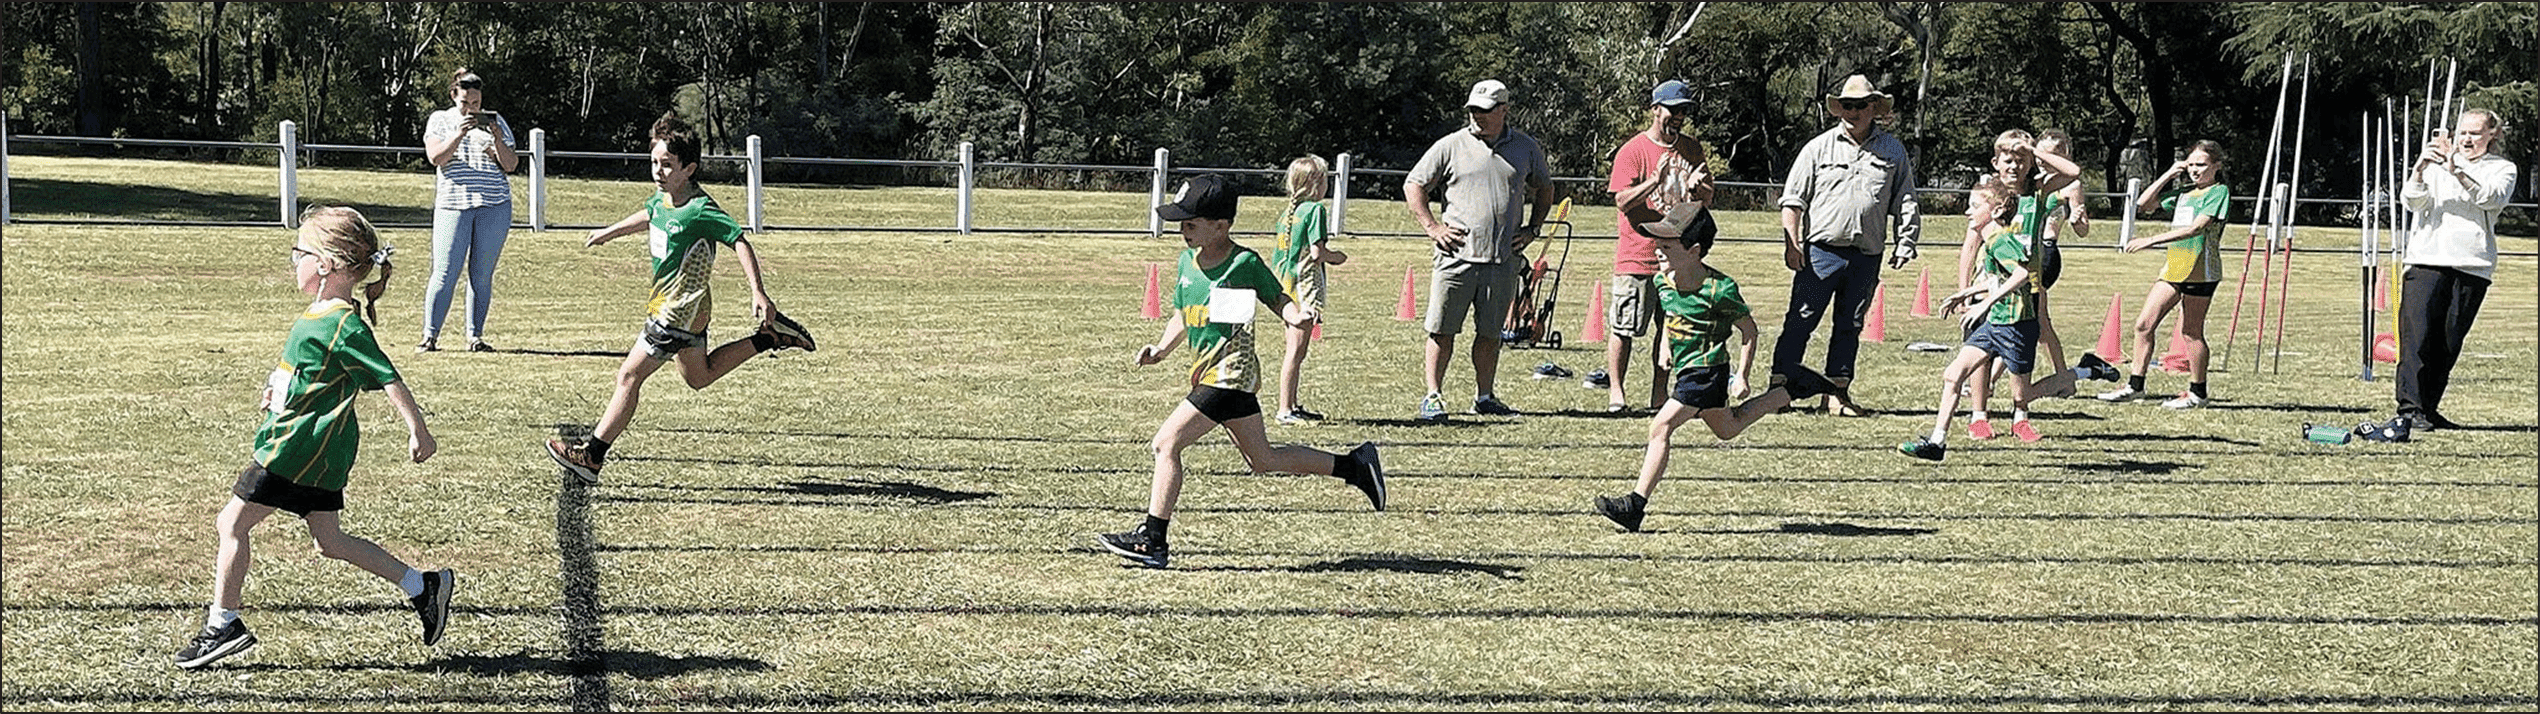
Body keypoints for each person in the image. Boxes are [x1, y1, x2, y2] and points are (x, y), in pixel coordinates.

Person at [174, 206, 454, 670]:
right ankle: (423, 587)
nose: (294, 262)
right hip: (313, 450)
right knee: (329, 540)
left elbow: (387, 376)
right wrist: (278, 393)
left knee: (232, 524)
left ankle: (223, 626)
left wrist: (418, 429)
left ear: (324, 264)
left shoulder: (344, 323)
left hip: (296, 449)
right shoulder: (321, 315)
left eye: (298, 253)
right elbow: (312, 374)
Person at [1097, 174, 1387, 569]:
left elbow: (1277, 297)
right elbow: (1184, 312)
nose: (1182, 230)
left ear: (1220, 226)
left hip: (1230, 375)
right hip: (1208, 374)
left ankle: (1153, 539)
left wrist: (1296, 316)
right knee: (1262, 459)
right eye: (1180, 223)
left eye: (1190, 223)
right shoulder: (1187, 261)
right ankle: (1355, 466)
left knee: (1166, 444)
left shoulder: (1243, 262)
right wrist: (1162, 349)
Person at [543, 113, 817, 483]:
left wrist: (758, 291)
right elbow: (649, 215)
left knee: (628, 376)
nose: (658, 171)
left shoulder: (700, 209)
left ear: (688, 168)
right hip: (688, 312)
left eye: (667, 165)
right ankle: (769, 338)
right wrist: (609, 232)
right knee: (699, 377)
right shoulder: (663, 198)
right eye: (654, 162)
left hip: (677, 310)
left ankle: (591, 456)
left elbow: (739, 240)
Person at [1592, 208, 1841, 531]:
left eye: (1667, 247)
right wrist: (1666, 344)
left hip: (1707, 372)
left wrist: (1742, 376)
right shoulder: (1662, 281)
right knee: (1729, 428)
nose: (1657, 251)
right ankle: (1791, 390)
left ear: (1694, 252)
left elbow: (1749, 331)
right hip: (1687, 371)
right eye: (1657, 244)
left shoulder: (1719, 289)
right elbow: (1669, 313)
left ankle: (1635, 505)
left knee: (1660, 428)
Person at [1899, 135, 2122, 461]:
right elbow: (1976, 252)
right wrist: (1966, 291)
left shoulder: (2036, 194)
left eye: (2021, 158)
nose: (2014, 164)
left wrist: (2035, 151)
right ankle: (1941, 439)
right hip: (1995, 300)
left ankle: (2084, 372)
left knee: (2024, 393)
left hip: (2019, 308)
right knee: (1954, 373)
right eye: (2008, 158)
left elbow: (2072, 172)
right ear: (1995, 162)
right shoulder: (1988, 202)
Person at [1403, 79, 1557, 421]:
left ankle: (1485, 396)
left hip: (1502, 260)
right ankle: (1433, 396)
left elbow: (1545, 188)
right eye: (1473, 110)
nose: (1477, 116)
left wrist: (1533, 229)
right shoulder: (1451, 145)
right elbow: (1414, 184)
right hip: (1456, 258)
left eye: (1485, 111)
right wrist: (1433, 227)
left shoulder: (1525, 148)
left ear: (1504, 110)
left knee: (1490, 333)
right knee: (1442, 329)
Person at [1772, 74, 1922, 416]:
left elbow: (1905, 199)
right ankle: (1778, 389)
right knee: (1800, 319)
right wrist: (1792, 243)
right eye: (1846, 105)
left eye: (1860, 105)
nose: (1852, 112)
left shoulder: (1893, 150)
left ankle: (1837, 395)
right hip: (1820, 252)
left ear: (1874, 108)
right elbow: (1793, 200)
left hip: (1866, 255)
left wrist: (1905, 241)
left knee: (1850, 325)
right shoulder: (1818, 147)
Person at [1591, 78, 1713, 414]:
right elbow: (1621, 201)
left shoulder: (1691, 149)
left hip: (1677, 258)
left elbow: (1708, 198)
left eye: (1684, 111)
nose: (1678, 116)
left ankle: (1659, 396)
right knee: (1624, 327)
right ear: (1655, 109)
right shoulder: (1633, 151)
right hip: (1638, 256)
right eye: (1673, 110)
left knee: (1670, 327)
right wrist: (1653, 182)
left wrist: (1697, 188)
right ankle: (1617, 394)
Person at [2391, 108, 2517, 432]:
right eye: (2462, 132)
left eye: (2475, 133)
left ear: (2492, 135)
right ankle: (2409, 408)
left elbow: (2490, 198)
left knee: (2447, 342)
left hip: (2472, 266)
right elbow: (2412, 202)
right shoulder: (2435, 166)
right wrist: (2420, 170)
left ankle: (2428, 409)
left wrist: (2457, 170)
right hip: (2427, 260)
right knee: (2416, 337)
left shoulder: (2502, 169)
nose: (2467, 139)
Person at [2097, 140, 2229, 409]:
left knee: (2192, 332)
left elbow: (2196, 229)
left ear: (2216, 166)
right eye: (2191, 164)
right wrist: (2170, 173)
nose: (2195, 170)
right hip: (2174, 267)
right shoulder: (2184, 193)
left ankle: (2197, 393)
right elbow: (2144, 204)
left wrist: (2151, 240)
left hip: (2200, 271)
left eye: (2201, 165)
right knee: (2144, 325)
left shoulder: (2218, 192)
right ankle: (2135, 386)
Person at [419, 68, 519, 353]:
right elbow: (436, 157)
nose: (471, 109)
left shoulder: (495, 121)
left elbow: (511, 164)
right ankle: (430, 336)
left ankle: (475, 337)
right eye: (465, 103)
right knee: (445, 272)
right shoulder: (440, 120)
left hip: (494, 205)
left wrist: (496, 139)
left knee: (482, 273)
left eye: (475, 103)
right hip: (454, 204)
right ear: (454, 96)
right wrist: (459, 134)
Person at [1270, 154, 1350, 425]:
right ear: (1315, 184)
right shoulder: (1315, 210)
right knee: (1296, 351)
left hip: (1286, 284)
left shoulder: (1288, 213)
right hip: (1305, 286)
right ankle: (1285, 409)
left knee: (1295, 348)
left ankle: (1292, 403)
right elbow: (1318, 252)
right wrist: (1338, 256)